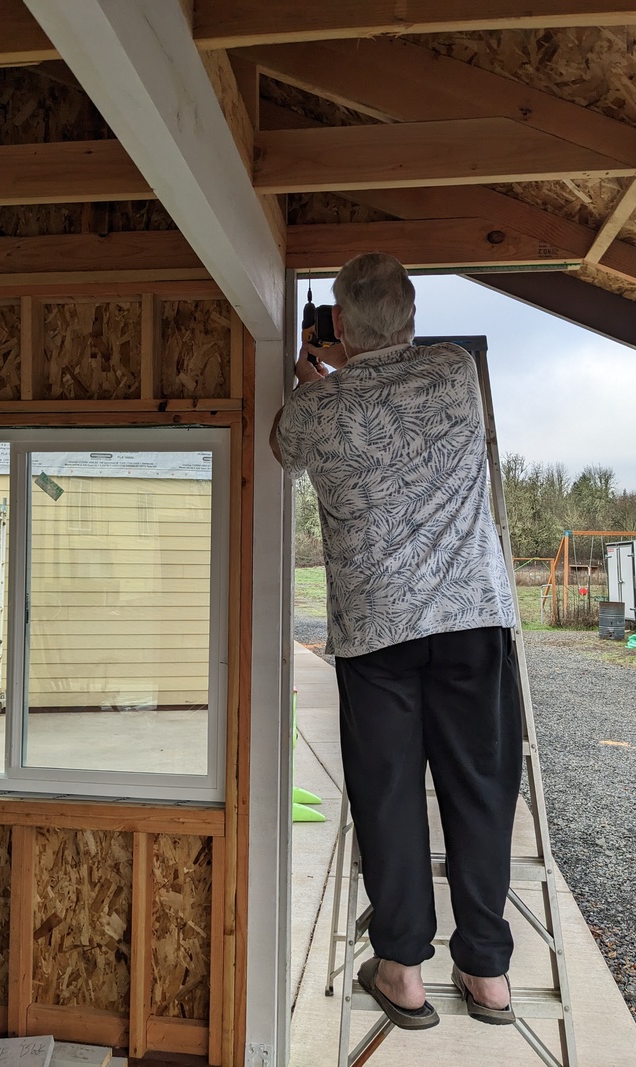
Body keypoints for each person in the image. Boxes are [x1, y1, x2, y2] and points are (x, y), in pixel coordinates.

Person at [270, 253, 522, 1031]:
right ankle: (487, 972)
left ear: (338, 323)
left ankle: (403, 969)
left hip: (377, 632)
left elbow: (284, 448)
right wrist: (349, 368)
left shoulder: (319, 407)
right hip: (470, 619)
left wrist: (321, 373)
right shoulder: (454, 371)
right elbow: (393, 392)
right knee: (481, 789)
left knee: (388, 795)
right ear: (410, 315)